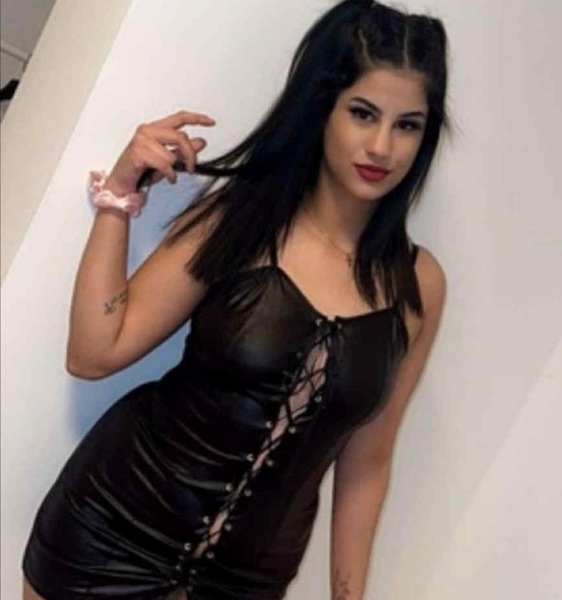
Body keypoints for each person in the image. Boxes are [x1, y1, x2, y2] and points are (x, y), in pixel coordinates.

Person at [22, 1, 448, 598]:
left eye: (408, 125)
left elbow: (367, 462)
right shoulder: (241, 218)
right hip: (110, 535)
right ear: (322, 107)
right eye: (362, 113)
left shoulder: (417, 284)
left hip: (245, 583)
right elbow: (94, 354)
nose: (382, 146)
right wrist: (118, 197)